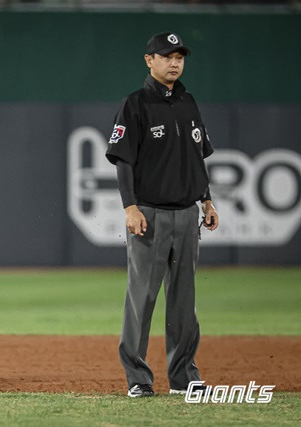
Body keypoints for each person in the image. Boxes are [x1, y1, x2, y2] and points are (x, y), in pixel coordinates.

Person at [105, 33, 219, 398]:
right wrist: (130, 206)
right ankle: (138, 379)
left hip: (188, 215)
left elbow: (196, 157)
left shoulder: (187, 101)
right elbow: (123, 160)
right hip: (149, 216)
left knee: (184, 302)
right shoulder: (135, 104)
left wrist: (207, 200)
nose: (175, 63)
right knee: (142, 300)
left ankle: (185, 377)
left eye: (180, 57)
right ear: (149, 60)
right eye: (167, 56)